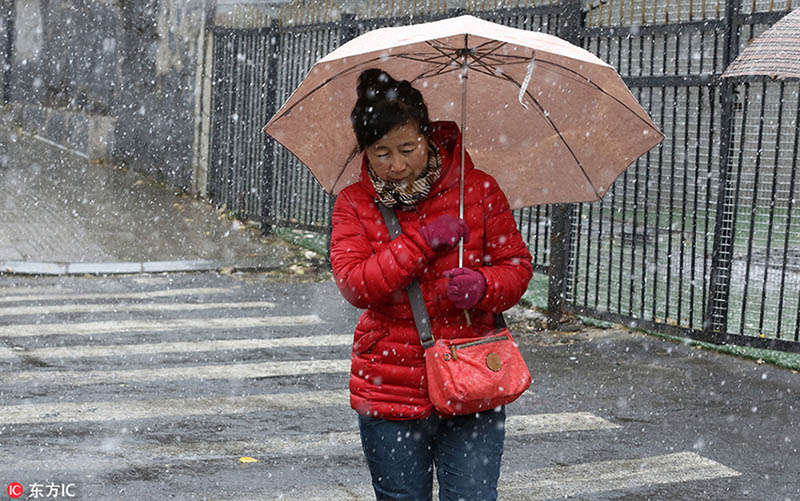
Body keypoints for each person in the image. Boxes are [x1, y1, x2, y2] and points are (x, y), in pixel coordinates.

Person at [329, 68, 533, 501]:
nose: (397, 165)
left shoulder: (477, 190)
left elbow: (516, 267)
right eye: (381, 153)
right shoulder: (354, 204)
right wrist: (421, 242)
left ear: (427, 136)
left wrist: (484, 286)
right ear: (365, 151)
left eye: (408, 148)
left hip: (472, 375)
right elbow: (355, 284)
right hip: (390, 383)